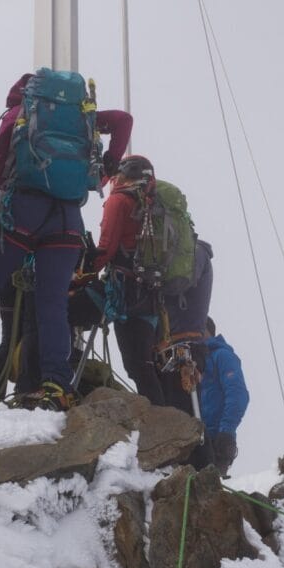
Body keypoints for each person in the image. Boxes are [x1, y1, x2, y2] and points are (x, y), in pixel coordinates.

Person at [0, 71, 130, 413]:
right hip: (68, 219)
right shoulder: (81, 117)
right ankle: (56, 385)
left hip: (22, 215)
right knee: (52, 303)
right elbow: (124, 120)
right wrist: (108, 164)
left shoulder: (18, 113)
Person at [89, 154, 212, 413]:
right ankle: (165, 421)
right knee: (145, 362)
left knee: (137, 365)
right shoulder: (151, 204)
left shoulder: (119, 200)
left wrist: (81, 274)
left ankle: (160, 422)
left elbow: (106, 249)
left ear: (123, 175)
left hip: (126, 294)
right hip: (151, 293)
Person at [196, 318, 247, 474]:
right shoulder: (193, 362)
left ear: (206, 330)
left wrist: (226, 430)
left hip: (217, 439)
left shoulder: (222, 356)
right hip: (194, 439)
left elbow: (237, 394)